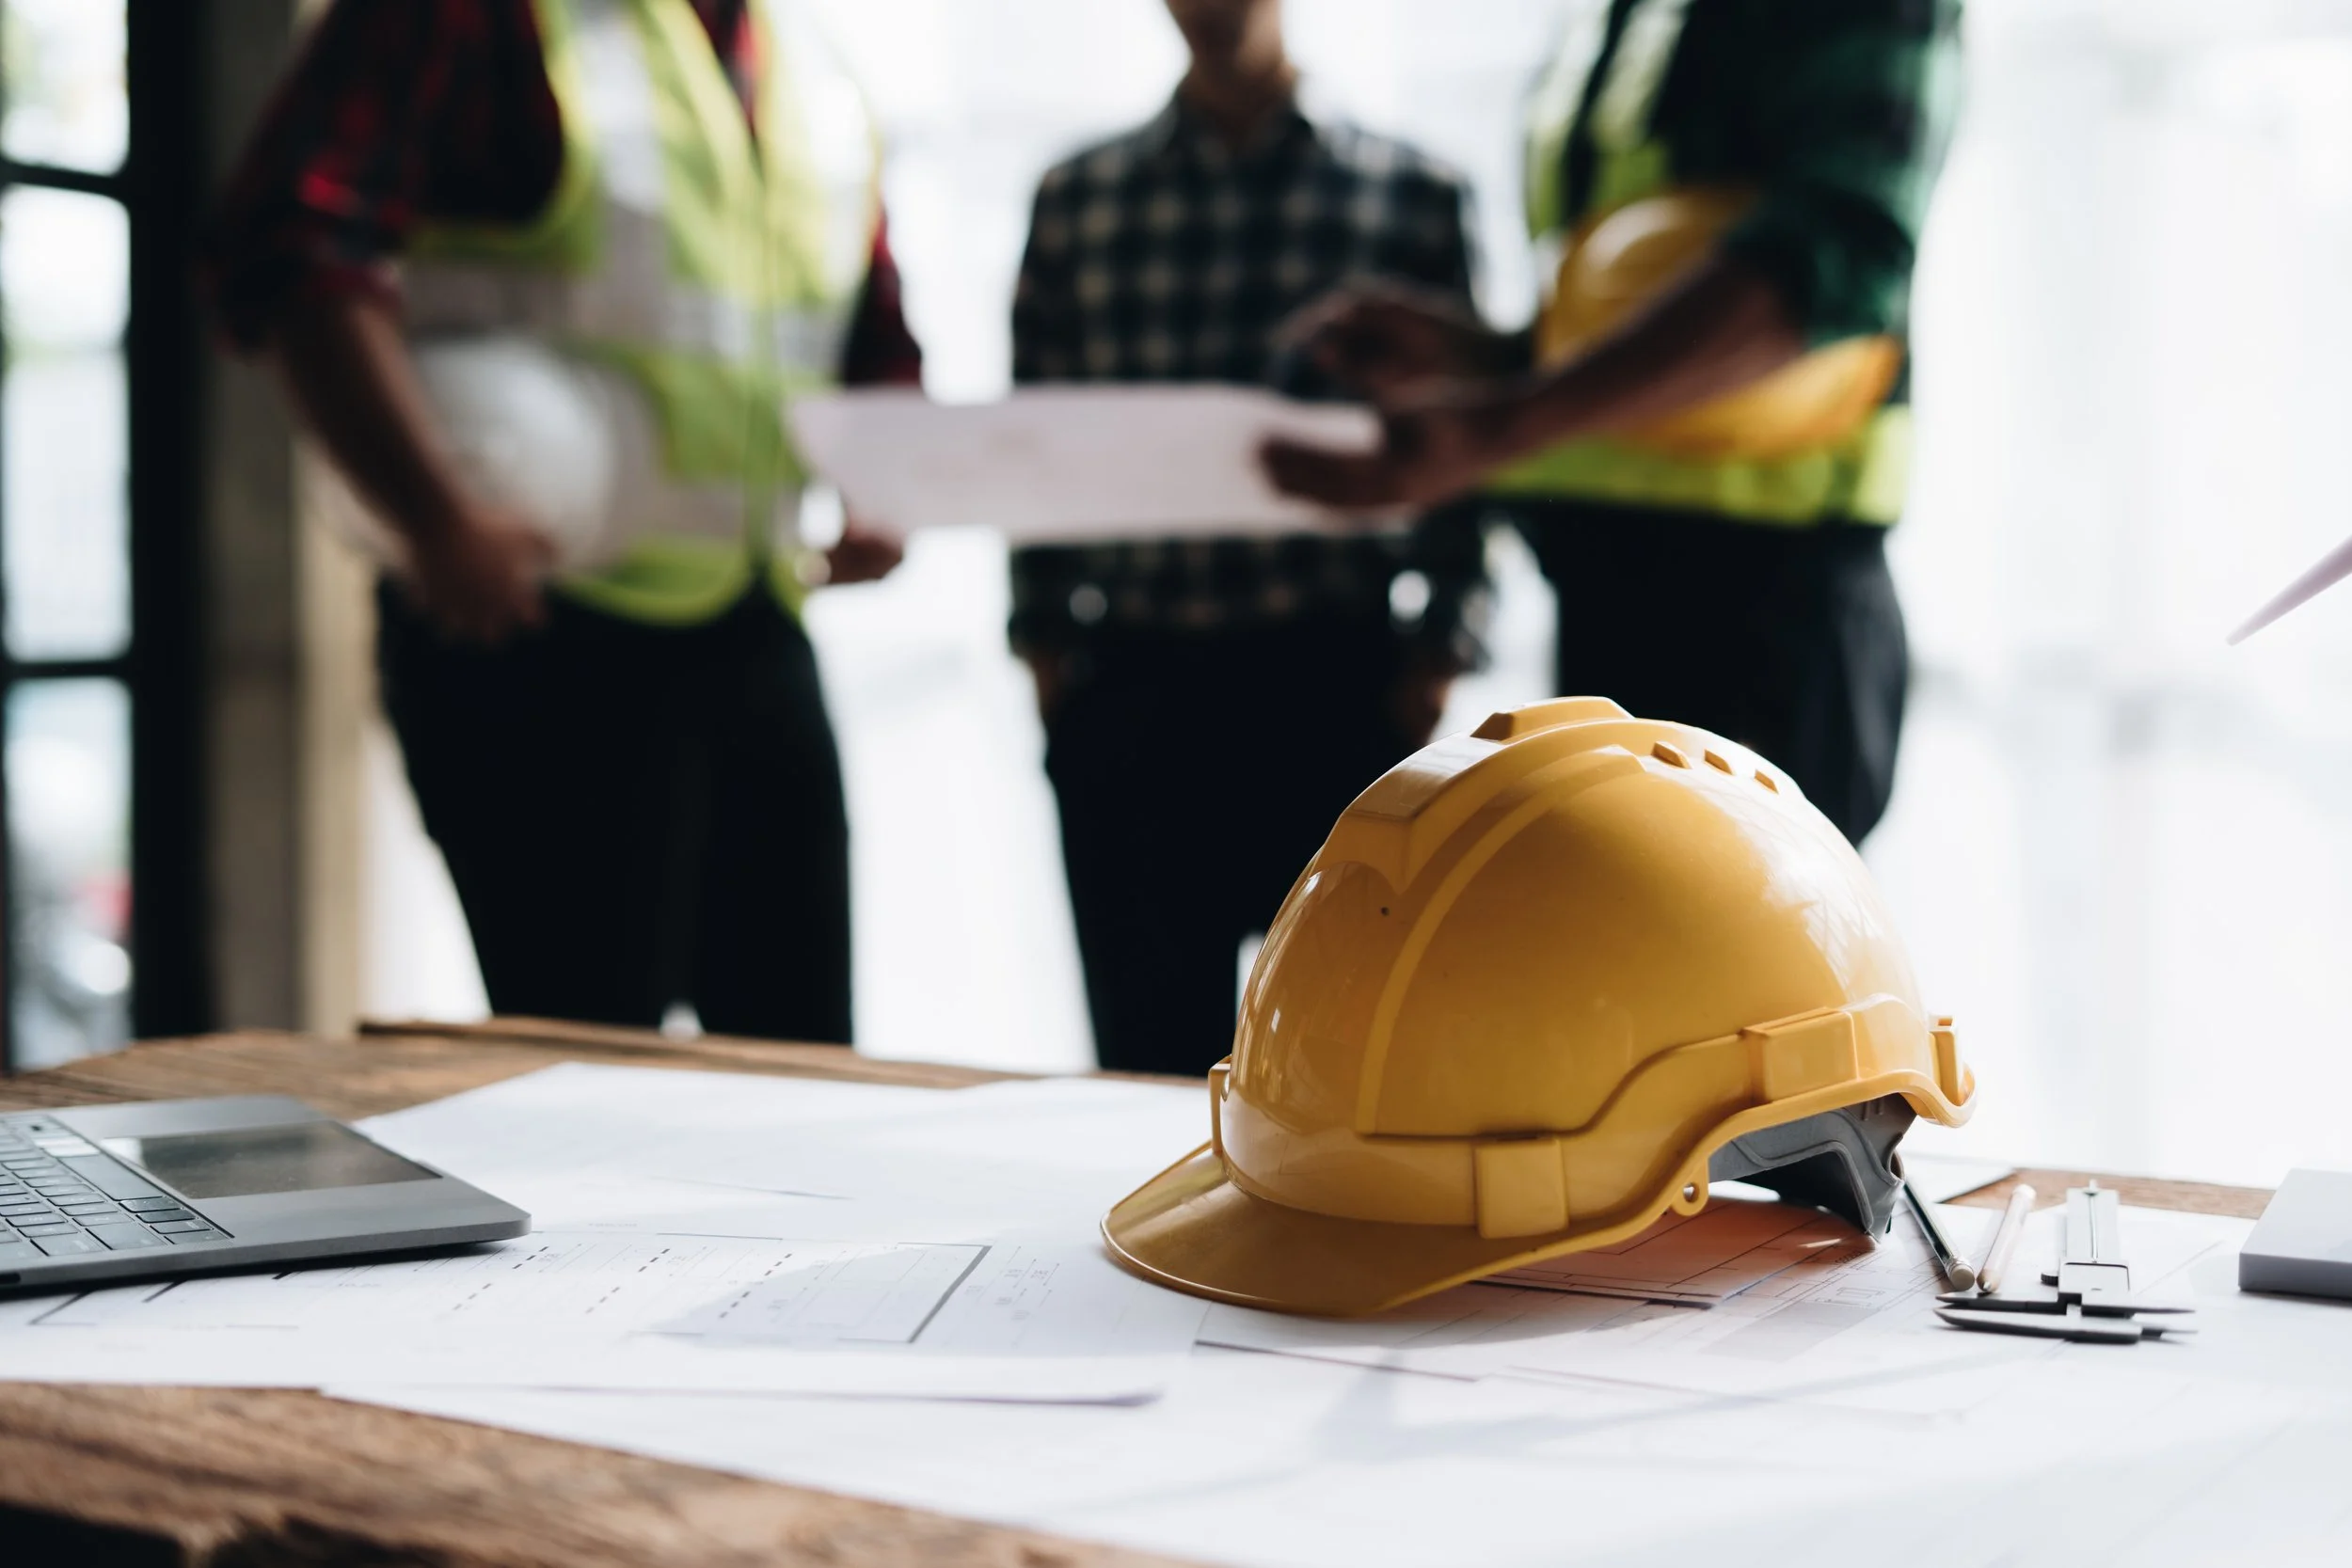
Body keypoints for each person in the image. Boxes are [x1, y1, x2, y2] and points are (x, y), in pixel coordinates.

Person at [206, 0, 923, 1040]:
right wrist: (435, 517)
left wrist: (886, 477)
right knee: (585, 1071)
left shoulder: (812, 69)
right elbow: (289, 240)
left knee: (802, 1063)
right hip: (536, 635)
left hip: (753, 617)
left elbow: (872, 328)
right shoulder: (486, 19)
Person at [1268, 0, 1962, 844]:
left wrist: (1498, 425)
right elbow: (1636, 289)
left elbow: (1833, 259)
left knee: (1744, 969)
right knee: (1620, 966)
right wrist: (1488, 356)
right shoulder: (1622, 18)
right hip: (1611, 601)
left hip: (1763, 614)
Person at [1010, 0, 1489, 1076]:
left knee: (1348, 1070)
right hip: (1132, 681)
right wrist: (1046, 656)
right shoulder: (1077, 199)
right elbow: (1038, 437)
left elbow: (1462, 445)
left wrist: (1440, 647)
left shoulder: (1413, 193)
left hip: (1334, 684)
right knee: (1142, 1074)